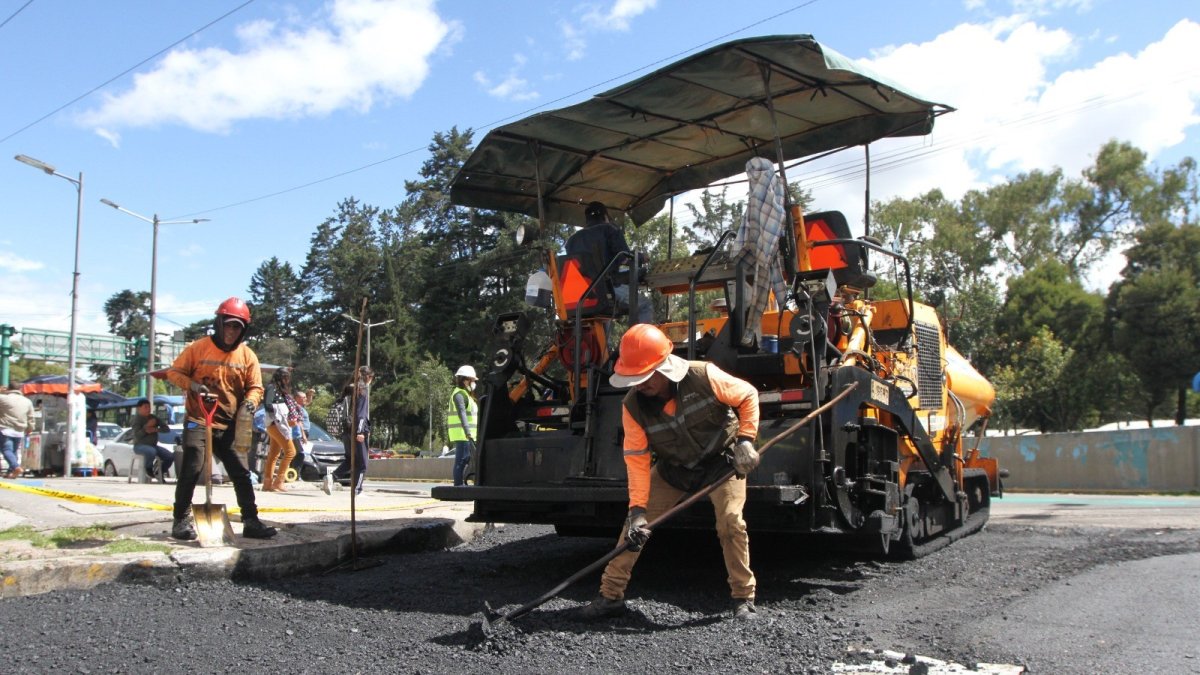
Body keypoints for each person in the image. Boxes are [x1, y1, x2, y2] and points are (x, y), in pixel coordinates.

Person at [579, 324, 762, 621]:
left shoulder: (703, 375)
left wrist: (745, 441)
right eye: (634, 378)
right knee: (632, 529)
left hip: (721, 464)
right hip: (674, 470)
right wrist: (638, 510)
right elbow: (637, 460)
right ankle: (610, 596)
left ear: (664, 366)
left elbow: (748, 395)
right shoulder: (633, 407)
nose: (639, 384)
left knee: (730, 522)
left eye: (645, 377)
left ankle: (743, 598)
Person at [165, 297, 276, 541]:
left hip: (229, 424)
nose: (231, 331)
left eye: (237, 327)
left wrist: (250, 402)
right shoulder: (198, 348)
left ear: (243, 330)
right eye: (228, 325)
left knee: (240, 472)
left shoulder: (247, 356)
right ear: (219, 323)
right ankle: (181, 520)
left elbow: (255, 387)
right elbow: (174, 372)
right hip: (199, 419)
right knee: (193, 466)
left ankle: (250, 521)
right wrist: (193, 385)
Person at [565, 201, 653, 324]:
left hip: (579, 296)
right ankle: (637, 342)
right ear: (605, 216)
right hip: (604, 289)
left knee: (601, 312)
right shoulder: (610, 229)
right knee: (644, 305)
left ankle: (602, 343)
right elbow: (625, 258)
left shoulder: (571, 241)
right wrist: (642, 257)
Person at [331, 366, 373, 495]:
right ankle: (357, 491)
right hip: (357, 431)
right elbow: (361, 414)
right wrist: (360, 432)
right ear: (368, 377)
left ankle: (331, 477)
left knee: (350, 460)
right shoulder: (362, 390)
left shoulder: (348, 388)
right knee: (362, 463)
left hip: (345, 430)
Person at [261, 367, 301, 492]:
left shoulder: (279, 389)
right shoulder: (272, 388)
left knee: (274, 454)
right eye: (285, 377)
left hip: (277, 424)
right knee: (291, 452)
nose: (287, 380)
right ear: (280, 377)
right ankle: (279, 481)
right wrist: (280, 413)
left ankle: (267, 483)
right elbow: (267, 404)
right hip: (276, 424)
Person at [447, 365, 478, 487]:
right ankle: (458, 485)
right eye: (473, 380)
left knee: (466, 459)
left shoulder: (466, 395)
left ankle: (460, 484)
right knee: (461, 460)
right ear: (466, 380)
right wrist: (468, 432)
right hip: (463, 434)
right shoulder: (459, 395)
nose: (474, 383)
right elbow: (462, 414)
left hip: (467, 434)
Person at [130, 398, 172, 482]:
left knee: (169, 456)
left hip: (153, 445)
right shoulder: (136, 419)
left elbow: (167, 429)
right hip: (139, 446)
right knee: (151, 451)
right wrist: (146, 428)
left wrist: (156, 429)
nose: (148, 409)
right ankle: (148, 468)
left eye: (149, 407)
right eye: (145, 407)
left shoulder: (153, 418)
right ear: (139, 408)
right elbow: (137, 436)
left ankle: (158, 472)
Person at [0, 384, 34, 479]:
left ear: (8, 389)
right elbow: (31, 417)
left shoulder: (4, 398)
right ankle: (10, 472)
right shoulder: (27, 401)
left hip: (5, 429)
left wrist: (1, 391)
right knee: (13, 451)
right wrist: (30, 429)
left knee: (6, 450)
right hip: (19, 430)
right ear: (20, 389)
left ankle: (16, 467)